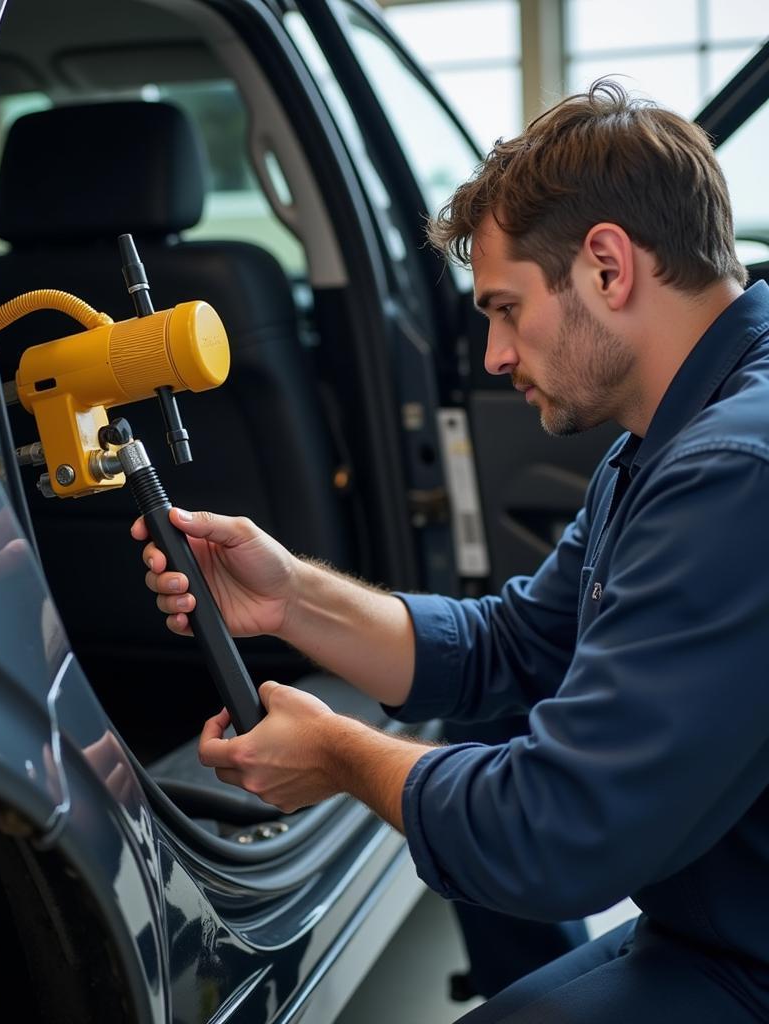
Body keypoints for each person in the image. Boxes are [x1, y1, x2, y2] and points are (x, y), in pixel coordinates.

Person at [131, 80, 769, 1022]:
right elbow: (514, 645)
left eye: (506, 309)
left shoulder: (733, 473)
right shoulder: (667, 442)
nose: (494, 356)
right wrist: (290, 597)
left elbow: (555, 830)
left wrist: (344, 758)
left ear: (607, 266)